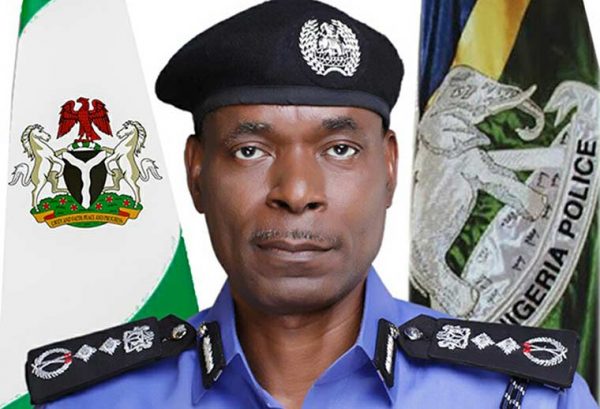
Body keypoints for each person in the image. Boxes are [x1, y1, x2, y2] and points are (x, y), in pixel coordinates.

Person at [25, 0, 598, 408]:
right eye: (250, 150)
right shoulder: (88, 400)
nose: (297, 192)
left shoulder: (527, 398)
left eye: (340, 149)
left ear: (390, 168)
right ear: (197, 173)